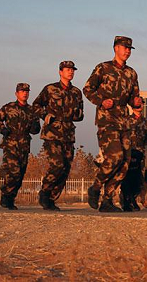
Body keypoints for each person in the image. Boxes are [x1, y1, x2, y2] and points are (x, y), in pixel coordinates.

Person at [83, 36, 141, 212]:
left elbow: (133, 97)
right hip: (107, 119)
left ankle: (107, 200)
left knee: (125, 162)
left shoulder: (132, 73)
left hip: (124, 121)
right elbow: (87, 89)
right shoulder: (103, 68)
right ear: (116, 48)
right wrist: (101, 101)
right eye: (125, 47)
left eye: (130, 49)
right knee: (114, 156)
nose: (127, 51)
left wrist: (137, 101)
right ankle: (95, 187)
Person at [32, 61, 84, 211]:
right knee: (57, 164)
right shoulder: (50, 89)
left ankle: (51, 199)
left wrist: (76, 114)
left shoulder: (76, 92)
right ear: (60, 72)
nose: (70, 72)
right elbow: (36, 105)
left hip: (68, 134)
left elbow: (80, 114)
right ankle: (45, 191)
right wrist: (44, 114)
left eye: (72, 70)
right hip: (52, 134)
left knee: (66, 168)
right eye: (67, 70)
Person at [0, 83, 41, 210]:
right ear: (16, 93)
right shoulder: (8, 107)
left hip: (24, 145)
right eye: (22, 91)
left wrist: (35, 128)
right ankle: (6, 195)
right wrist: (2, 129)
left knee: (20, 174)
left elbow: (36, 128)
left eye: (27, 91)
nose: (25, 93)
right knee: (13, 172)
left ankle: (10, 198)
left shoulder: (32, 110)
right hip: (10, 144)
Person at [120, 97, 147, 211]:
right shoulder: (126, 120)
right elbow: (121, 136)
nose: (140, 105)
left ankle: (133, 199)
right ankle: (125, 200)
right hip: (128, 154)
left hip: (140, 154)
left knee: (139, 179)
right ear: (132, 106)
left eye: (141, 103)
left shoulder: (146, 122)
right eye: (137, 104)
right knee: (127, 178)